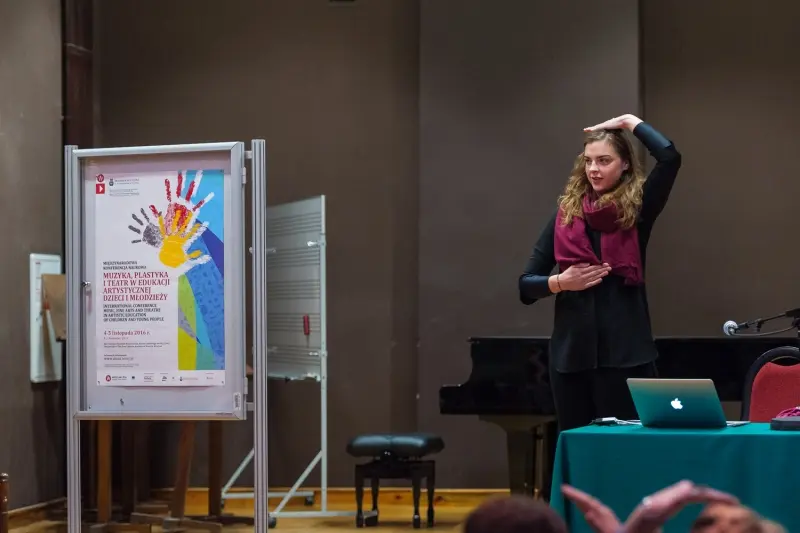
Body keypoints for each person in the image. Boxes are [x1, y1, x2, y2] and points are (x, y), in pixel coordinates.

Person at [518, 113, 682, 431]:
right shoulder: (566, 215)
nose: (593, 169)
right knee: (578, 449)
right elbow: (526, 286)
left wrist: (629, 122)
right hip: (571, 361)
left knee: (625, 452)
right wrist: (560, 282)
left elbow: (670, 157)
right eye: (589, 161)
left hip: (627, 357)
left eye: (604, 161)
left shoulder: (638, 210)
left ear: (624, 165)